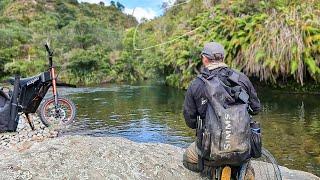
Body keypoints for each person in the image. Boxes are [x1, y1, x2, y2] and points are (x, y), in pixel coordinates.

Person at [182, 42, 261, 177]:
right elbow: (256, 109)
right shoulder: (241, 79)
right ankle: (242, 170)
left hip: (210, 149)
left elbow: (190, 121)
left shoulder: (196, 84)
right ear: (223, 58)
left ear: (204, 59)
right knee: (242, 155)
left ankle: (213, 170)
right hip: (242, 147)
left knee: (187, 159)